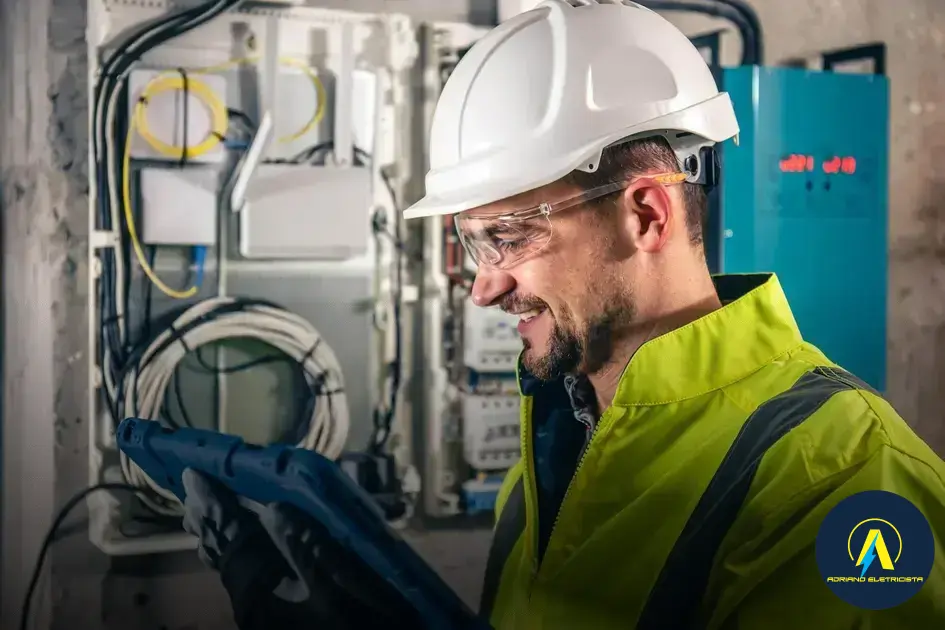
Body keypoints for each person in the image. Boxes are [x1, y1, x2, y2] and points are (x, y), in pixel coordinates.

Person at [184, 1, 945, 628]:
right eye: (472, 243)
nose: (483, 289)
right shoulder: (556, 448)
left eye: (507, 239)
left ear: (645, 212)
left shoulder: (845, 478)